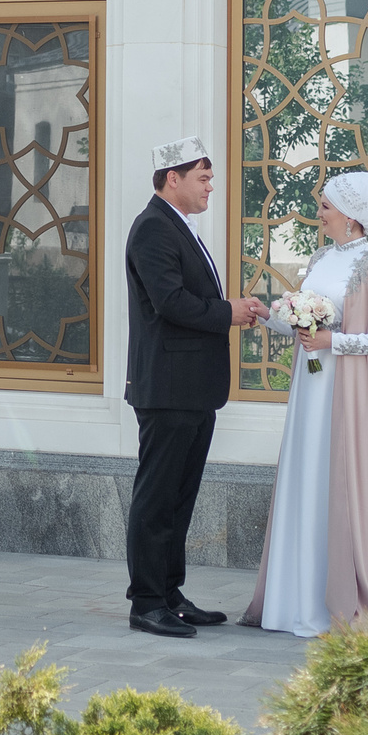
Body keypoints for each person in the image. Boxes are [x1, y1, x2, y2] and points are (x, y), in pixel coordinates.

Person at [243, 170, 368, 637]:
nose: (321, 212)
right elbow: (303, 332)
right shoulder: (318, 259)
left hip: (347, 397)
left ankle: (330, 603)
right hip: (310, 391)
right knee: (305, 479)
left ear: (352, 217)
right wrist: (266, 317)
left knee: (334, 483)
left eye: (328, 205)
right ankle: (290, 602)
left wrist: (336, 341)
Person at [123, 135, 265, 639]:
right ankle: (145, 601)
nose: (210, 187)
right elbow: (171, 303)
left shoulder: (178, 227)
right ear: (172, 178)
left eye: (211, 177)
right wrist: (230, 312)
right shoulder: (152, 229)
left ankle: (170, 593)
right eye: (202, 177)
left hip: (193, 389)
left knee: (180, 499)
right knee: (157, 498)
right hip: (166, 388)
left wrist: (231, 309)